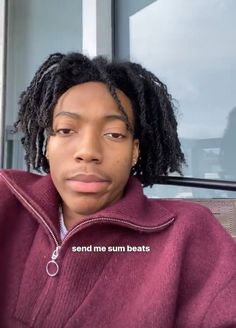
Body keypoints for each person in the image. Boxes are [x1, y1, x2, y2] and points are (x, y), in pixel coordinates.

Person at [0, 52, 235, 328]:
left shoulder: (188, 233)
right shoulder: (6, 199)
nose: (88, 152)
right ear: (47, 145)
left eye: (114, 134)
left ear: (134, 151)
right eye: (65, 130)